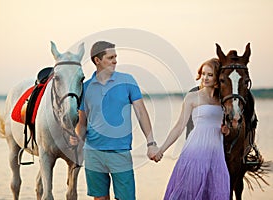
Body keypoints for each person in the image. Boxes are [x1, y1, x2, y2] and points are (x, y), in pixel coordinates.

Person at [73, 41, 158, 200]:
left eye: (115, 57)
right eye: (110, 57)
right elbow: (82, 123)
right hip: (93, 153)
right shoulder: (85, 87)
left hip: (120, 151)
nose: (115, 61)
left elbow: (141, 112)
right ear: (97, 61)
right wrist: (77, 140)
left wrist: (151, 143)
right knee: (100, 198)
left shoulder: (128, 81)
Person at [153, 58, 230, 200]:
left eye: (210, 75)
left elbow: (228, 127)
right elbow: (179, 127)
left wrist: (227, 130)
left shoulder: (223, 100)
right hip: (195, 152)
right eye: (203, 73)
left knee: (218, 192)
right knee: (188, 192)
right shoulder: (193, 97)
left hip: (216, 155)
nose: (205, 78)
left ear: (217, 77)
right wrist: (161, 150)